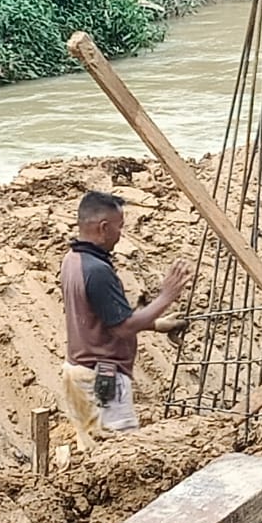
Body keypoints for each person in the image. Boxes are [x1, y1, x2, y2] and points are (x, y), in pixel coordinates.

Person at [60, 191, 191, 451]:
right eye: (120, 227)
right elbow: (123, 327)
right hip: (101, 380)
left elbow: (102, 319)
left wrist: (156, 324)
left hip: (79, 373)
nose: (121, 235)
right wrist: (166, 296)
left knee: (93, 453)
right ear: (104, 227)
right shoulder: (97, 271)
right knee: (120, 455)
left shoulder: (72, 260)